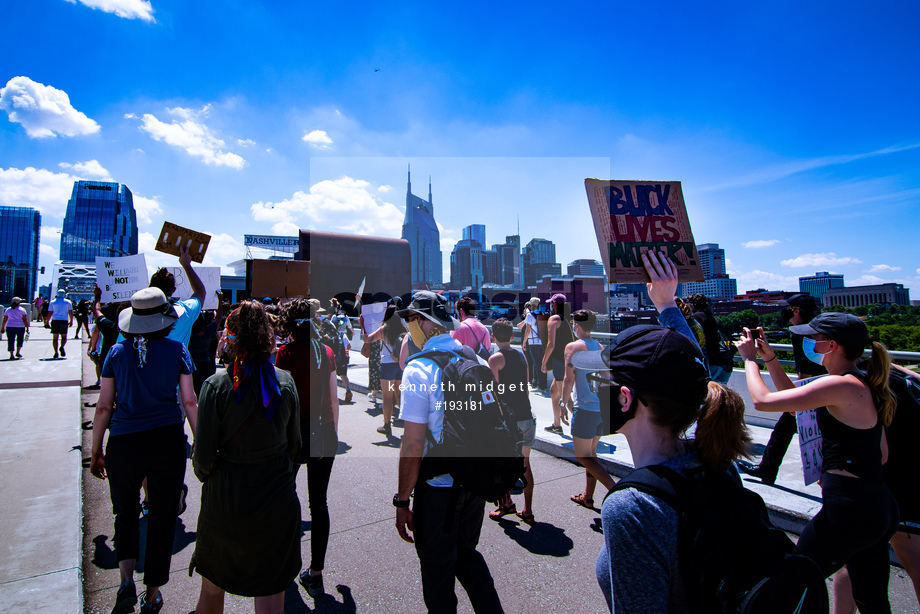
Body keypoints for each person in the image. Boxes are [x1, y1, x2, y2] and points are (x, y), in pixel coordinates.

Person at [596, 250, 752, 612]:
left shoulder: (632, 507)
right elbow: (693, 373)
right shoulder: (718, 464)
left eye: (601, 381)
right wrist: (666, 305)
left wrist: (668, 305)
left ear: (625, 398)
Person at [738, 312, 899, 613]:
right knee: (872, 599)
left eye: (814, 338)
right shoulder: (859, 383)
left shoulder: (841, 386)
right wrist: (771, 357)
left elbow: (762, 402)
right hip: (877, 506)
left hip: (849, 510)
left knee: (789, 582)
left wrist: (750, 360)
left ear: (831, 346)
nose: (808, 342)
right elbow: (792, 401)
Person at [89, 287, 199, 614]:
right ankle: (152, 595)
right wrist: (202, 439)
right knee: (163, 516)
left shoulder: (116, 353)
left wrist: (96, 449)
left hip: (124, 440)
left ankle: (125, 580)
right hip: (167, 439)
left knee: (124, 513)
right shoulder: (178, 349)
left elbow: (104, 406)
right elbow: (189, 401)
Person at [394, 291, 504, 614]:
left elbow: (413, 445)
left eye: (412, 320)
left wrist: (402, 501)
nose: (410, 327)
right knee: (467, 556)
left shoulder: (418, 370)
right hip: (473, 484)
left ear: (426, 324)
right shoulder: (475, 359)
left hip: (439, 489)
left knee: (438, 572)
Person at [191, 301, 301, 614]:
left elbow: (202, 459)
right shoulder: (285, 381)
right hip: (276, 496)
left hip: (228, 497)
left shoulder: (215, 386)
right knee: (271, 595)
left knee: (212, 589)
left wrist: (213, 476)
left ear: (230, 337)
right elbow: (295, 448)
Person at [275, 298, 340, 598]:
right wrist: (333, 433)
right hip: (324, 431)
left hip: (293, 434)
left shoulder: (284, 353)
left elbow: (280, 400)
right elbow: (333, 398)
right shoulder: (325, 351)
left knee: (286, 500)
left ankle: (285, 564)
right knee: (320, 504)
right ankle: (316, 573)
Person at [737, 293, 827, 485]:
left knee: (789, 430)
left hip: (813, 395)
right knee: (783, 430)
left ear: (796, 311)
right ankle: (767, 469)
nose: (783, 313)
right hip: (825, 390)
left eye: (786, 309)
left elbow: (805, 375)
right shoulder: (822, 329)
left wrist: (752, 358)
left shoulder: (801, 333)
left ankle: (768, 470)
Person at [561, 309, 613, 509]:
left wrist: (563, 403)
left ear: (578, 326)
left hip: (585, 409)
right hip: (601, 408)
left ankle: (616, 490)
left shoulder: (573, 347)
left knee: (583, 456)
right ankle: (588, 496)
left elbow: (568, 378)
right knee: (591, 454)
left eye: (574, 323)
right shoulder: (600, 346)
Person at [487, 318, 537, 525]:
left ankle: (505, 504)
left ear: (493, 337)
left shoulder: (495, 359)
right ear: (512, 335)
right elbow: (525, 387)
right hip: (527, 416)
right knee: (525, 465)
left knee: (502, 464)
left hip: (510, 421)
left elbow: (494, 394)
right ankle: (528, 510)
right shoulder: (521, 355)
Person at [364, 304, 407, 437]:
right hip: (400, 365)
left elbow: (368, 339)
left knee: (387, 398)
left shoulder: (384, 330)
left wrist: (362, 324)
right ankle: (408, 425)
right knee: (399, 396)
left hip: (387, 365)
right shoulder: (403, 328)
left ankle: (387, 425)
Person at [541, 293, 575, 433]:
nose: (551, 306)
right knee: (554, 391)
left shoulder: (553, 319)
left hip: (559, 362)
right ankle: (556, 425)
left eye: (552, 303)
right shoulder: (566, 319)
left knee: (566, 398)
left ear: (555, 304)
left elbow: (551, 344)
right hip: (567, 360)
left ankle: (587, 428)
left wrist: (544, 362)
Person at [687, 292, 734, 384]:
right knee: (721, 396)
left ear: (692, 305)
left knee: (707, 396)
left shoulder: (696, 319)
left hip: (712, 363)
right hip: (725, 363)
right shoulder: (712, 317)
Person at [190, 295, 224, 397]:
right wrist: (220, 301)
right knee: (205, 393)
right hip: (205, 365)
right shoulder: (208, 331)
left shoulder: (188, 333)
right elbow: (218, 318)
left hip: (191, 366)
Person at [329, 298, 354, 404]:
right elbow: (349, 346)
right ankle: (348, 390)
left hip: (334, 357)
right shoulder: (346, 318)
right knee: (343, 375)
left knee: (332, 375)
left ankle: (332, 394)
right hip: (343, 357)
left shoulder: (333, 318)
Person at [521, 297, 546, 391]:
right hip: (541, 342)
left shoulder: (530, 316)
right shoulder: (541, 314)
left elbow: (527, 330)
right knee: (543, 363)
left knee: (537, 364)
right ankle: (543, 384)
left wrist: (524, 342)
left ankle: (540, 386)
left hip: (533, 342)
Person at [48, 289, 73, 358]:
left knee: (55, 338)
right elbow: (70, 312)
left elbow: (50, 312)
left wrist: (46, 321)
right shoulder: (68, 302)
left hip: (55, 320)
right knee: (64, 336)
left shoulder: (52, 302)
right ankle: (62, 346)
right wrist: (71, 321)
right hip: (64, 320)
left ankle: (55, 352)